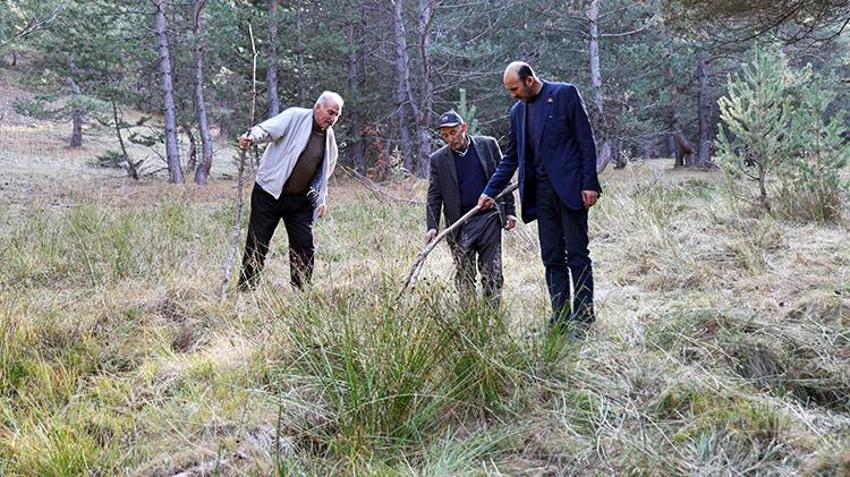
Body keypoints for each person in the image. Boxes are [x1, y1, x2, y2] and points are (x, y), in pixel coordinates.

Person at [478, 62, 602, 336]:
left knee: (578, 255)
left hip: (572, 191)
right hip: (540, 195)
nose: (512, 94)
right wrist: (489, 191)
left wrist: (589, 183)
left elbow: (585, 141)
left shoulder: (565, 94)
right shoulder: (517, 112)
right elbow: (511, 158)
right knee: (552, 257)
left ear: (530, 80)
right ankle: (560, 316)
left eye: (514, 88)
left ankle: (583, 318)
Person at [236, 91, 343, 291]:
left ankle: (301, 292)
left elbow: (323, 173)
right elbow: (267, 130)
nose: (332, 118)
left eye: (336, 115)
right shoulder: (295, 117)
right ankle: (246, 290)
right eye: (330, 112)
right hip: (268, 193)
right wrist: (250, 138)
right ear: (317, 107)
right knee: (257, 243)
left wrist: (320, 199)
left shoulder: (329, 139)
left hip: (300, 202)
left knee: (304, 246)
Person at [426, 110, 517, 307]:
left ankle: (491, 317)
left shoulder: (488, 145)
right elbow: (434, 195)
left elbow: (505, 179)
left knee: (492, 273)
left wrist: (510, 211)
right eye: (445, 135)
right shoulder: (438, 160)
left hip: (489, 219)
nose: (450, 138)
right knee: (464, 275)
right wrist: (432, 226)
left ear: (464, 128)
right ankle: (469, 318)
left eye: (453, 132)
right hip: (459, 225)